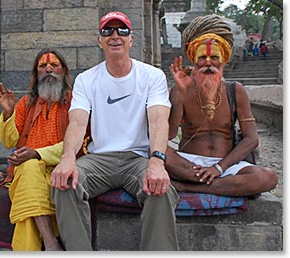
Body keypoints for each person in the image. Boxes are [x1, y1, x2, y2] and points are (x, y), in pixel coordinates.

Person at [50, 11, 179, 251]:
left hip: (137, 158)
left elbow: (159, 120)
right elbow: (77, 123)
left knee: (161, 191)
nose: (115, 36)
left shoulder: (152, 76)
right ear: (100, 41)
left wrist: (157, 162)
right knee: (64, 183)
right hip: (100, 159)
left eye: (122, 30)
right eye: (107, 31)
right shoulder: (87, 79)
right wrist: (67, 159)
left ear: (132, 39)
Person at [166, 14, 278, 197]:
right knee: (154, 153)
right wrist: (179, 92)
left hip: (225, 165)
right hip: (187, 165)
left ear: (224, 59)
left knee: (268, 178)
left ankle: (188, 187)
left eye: (214, 57)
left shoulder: (236, 90)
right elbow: (170, 134)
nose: (208, 63)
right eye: (202, 57)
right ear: (193, 59)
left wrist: (219, 168)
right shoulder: (180, 89)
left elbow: (251, 139)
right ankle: (222, 186)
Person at [0, 49, 72, 251]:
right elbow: (9, 140)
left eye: (54, 65)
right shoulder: (26, 103)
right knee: (29, 168)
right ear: (36, 73)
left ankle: (45, 243)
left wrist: (38, 154)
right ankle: (51, 242)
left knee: (27, 218)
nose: (48, 69)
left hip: (60, 169)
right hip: (26, 170)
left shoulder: (74, 102)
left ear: (63, 71)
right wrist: (8, 112)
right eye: (42, 66)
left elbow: (80, 142)